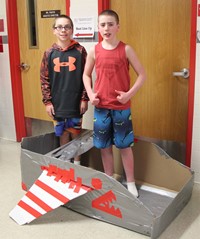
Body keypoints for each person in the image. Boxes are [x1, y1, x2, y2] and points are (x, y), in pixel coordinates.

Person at [83, 10, 146, 197]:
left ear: (118, 27)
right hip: (101, 107)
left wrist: (129, 94)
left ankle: (131, 182)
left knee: (125, 146)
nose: (106, 28)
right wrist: (90, 93)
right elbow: (86, 75)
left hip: (121, 108)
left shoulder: (126, 49)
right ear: (98, 28)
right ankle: (109, 178)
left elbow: (142, 74)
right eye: (102, 25)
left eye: (110, 24)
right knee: (104, 146)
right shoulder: (94, 50)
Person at [40, 14, 88, 165]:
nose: (63, 30)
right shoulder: (49, 53)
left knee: (75, 133)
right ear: (54, 30)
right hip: (57, 101)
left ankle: (77, 164)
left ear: (72, 30)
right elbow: (44, 79)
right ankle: (65, 163)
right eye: (59, 27)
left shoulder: (80, 51)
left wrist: (84, 98)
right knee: (62, 134)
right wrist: (48, 102)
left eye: (67, 27)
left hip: (75, 101)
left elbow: (86, 76)